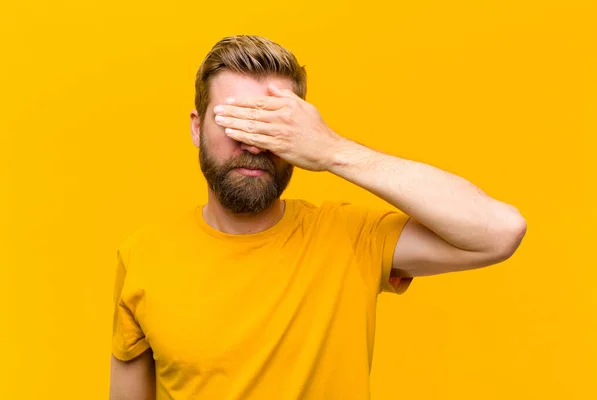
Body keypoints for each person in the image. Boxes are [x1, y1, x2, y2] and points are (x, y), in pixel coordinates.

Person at [109, 35, 527, 400]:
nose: (254, 144)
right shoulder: (143, 255)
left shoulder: (351, 238)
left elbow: (499, 231)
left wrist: (332, 150)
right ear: (197, 128)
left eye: (274, 125)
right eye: (235, 121)